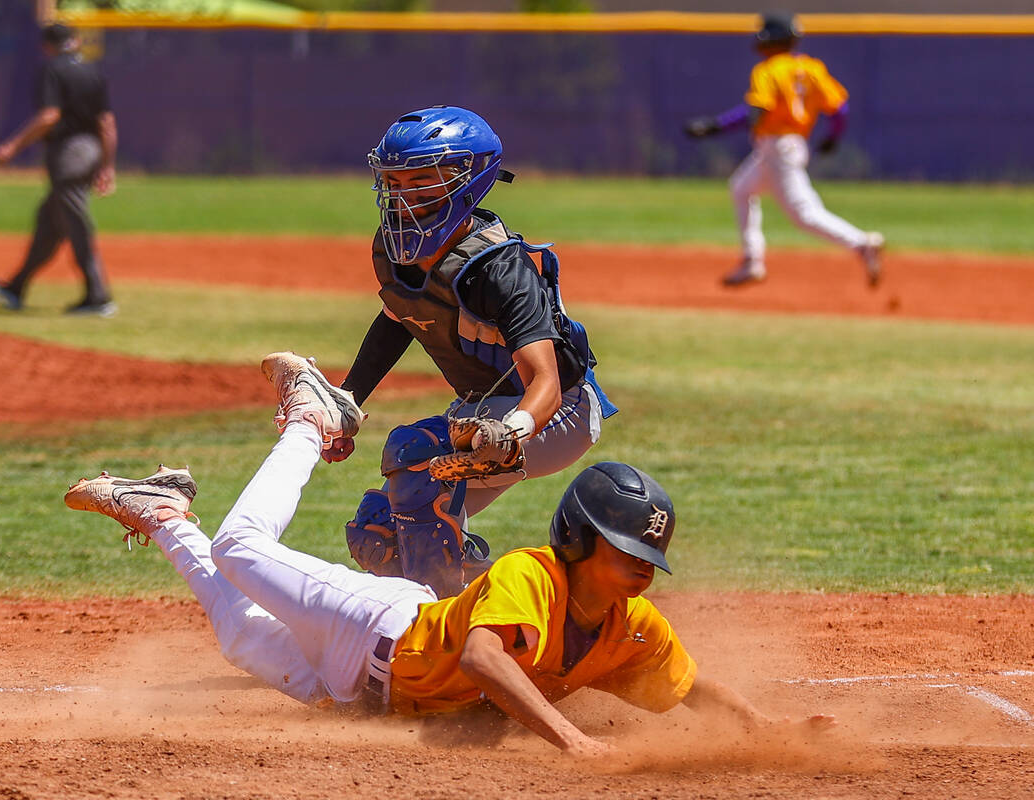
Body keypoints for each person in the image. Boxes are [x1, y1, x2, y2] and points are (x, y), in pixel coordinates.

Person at [65, 352, 834, 756]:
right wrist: (572, 745)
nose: (640, 569)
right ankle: (310, 413)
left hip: (362, 694)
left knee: (237, 634)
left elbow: (693, 689)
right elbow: (484, 660)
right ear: (578, 541)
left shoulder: (631, 628)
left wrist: (772, 730)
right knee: (241, 547)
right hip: (374, 628)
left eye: (646, 558)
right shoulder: (532, 576)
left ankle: (163, 512)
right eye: (624, 550)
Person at [334, 105, 619, 598]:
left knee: (414, 453)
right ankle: (498, 603)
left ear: (466, 182)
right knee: (381, 532)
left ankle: (446, 636)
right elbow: (398, 319)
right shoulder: (395, 251)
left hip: (557, 414)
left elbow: (546, 382)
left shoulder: (498, 268)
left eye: (421, 183)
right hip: (482, 411)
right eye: (394, 184)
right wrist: (345, 404)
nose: (403, 199)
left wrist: (510, 432)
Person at [684, 11, 885, 288]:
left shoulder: (768, 70)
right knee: (741, 188)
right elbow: (840, 107)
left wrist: (715, 126)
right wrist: (833, 137)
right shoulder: (812, 69)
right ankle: (752, 261)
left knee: (805, 214)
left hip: (778, 148)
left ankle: (862, 243)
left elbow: (756, 112)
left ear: (773, 39)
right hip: (787, 146)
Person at [0, 22, 118, 317]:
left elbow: (49, 116)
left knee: (76, 223)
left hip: (69, 153)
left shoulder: (53, 69)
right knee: (49, 222)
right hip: (92, 150)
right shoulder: (93, 70)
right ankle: (17, 287)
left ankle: (98, 296)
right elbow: (107, 124)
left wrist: (13, 146)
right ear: (74, 41)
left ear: (47, 45)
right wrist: (107, 165)